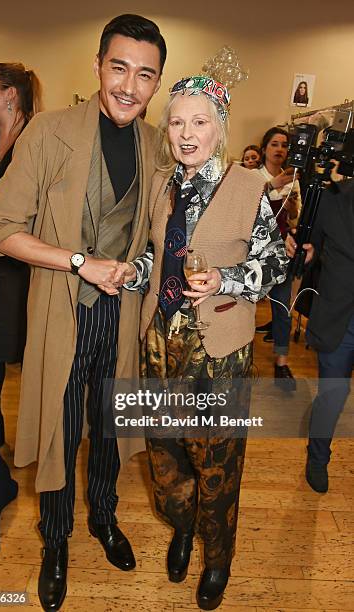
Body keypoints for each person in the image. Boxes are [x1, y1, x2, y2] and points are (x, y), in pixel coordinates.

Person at [0, 14, 166, 611]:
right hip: (64, 312)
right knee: (63, 427)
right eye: (119, 67)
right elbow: (0, 230)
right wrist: (78, 260)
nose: (129, 86)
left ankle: (104, 519)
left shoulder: (158, 145)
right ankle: (56, 538)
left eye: (145, 75)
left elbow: (164, 238)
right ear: (97, 67)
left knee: (112, 430)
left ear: (156, 83)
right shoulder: (48, 134)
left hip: (124, 317)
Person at [116, 75, 288, 610]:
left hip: (218, 350)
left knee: (217, 462)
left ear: (220, 128)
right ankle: (182, 528)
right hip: (159, 341)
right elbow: (160, 257)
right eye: (177, 121)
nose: (186, 133)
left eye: (199, 122)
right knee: (164, 457)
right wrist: (133, 271)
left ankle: (218, 559)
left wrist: (226, 280)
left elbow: (278, 263)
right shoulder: (163, 185)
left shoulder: (248, 185)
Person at [0, 62, 42, 515]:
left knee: (10, 355)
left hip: (19, 272)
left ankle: (26, 446)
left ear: (11, 95)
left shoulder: (35, 140)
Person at [286, 178, 354, 493]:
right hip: (340, 317)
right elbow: (308, 249)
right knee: (332, 393)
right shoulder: (332, 198)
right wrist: (299, 248)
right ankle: (317, 458)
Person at [255, 127, 301, 390]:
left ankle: (281, 362)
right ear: (264, 148)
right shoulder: (252, 176)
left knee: (282, 308)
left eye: (284, 145)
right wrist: (272, 186)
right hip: (254, 252)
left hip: (282, 252)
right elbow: (244, 205)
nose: (280, 149)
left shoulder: (294, 179)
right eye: (274, 144)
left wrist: (293, 207)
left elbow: (294, 218)